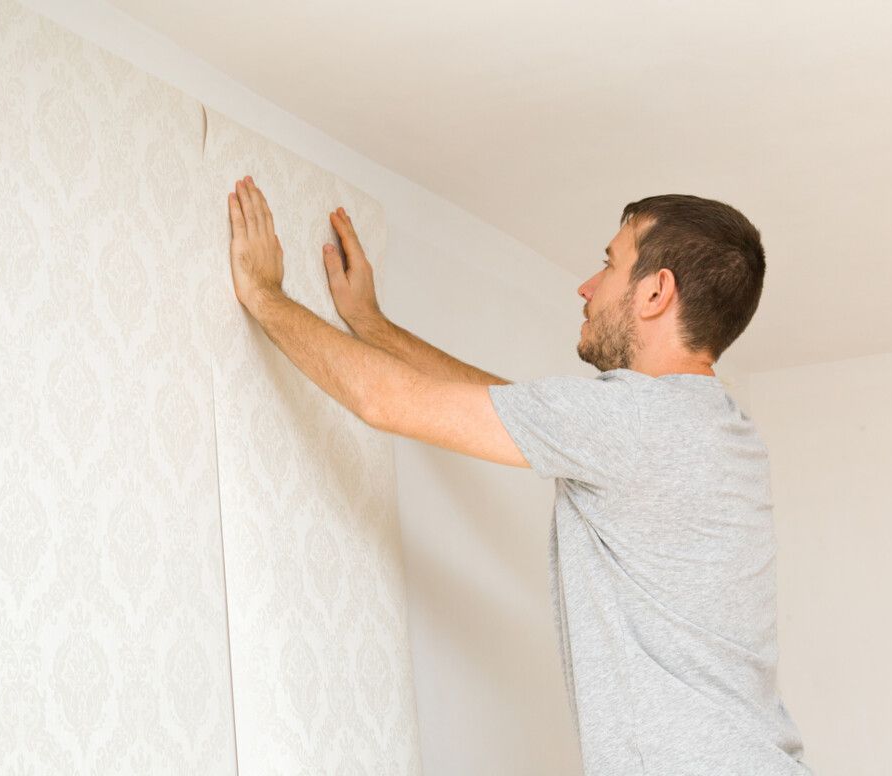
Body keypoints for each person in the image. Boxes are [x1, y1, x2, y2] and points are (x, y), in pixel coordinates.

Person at [227, 176, 811, 775]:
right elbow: (506, 408)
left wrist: (266, 295)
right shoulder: (716, 430)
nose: (586, 287)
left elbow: (383, 403)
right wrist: (374, 326)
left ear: (656, 292)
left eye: (609, 265)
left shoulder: (633, 422)